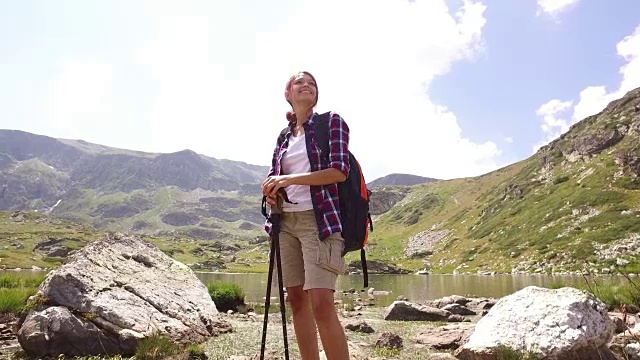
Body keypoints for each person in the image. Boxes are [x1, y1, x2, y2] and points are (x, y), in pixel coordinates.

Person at [261, 71, 351, 360]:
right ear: (288, 92)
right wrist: (271, 188)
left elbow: (338, 171)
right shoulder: (284, 136)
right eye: (300, 82)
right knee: (297, 301)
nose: (307, 85)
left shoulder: (331, 122)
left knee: (322, 303)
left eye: (312, 83)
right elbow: (277, 174)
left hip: (319, 222)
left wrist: (288, 181)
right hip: (285, 224)